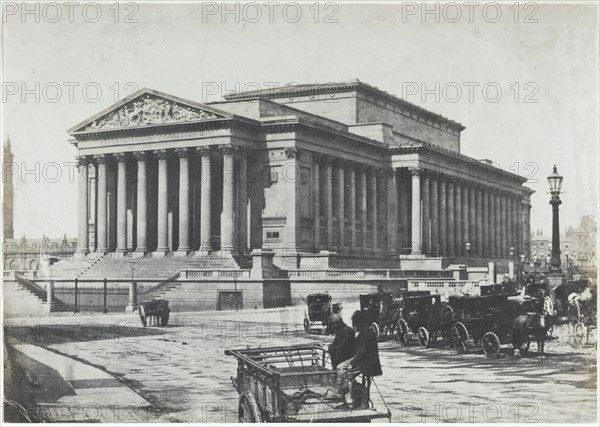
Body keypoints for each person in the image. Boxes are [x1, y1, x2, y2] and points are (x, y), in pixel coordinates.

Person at [336, 311, 382, 408]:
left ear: (358, 322)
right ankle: (352, 396)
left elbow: (362, 352)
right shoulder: (366, 331)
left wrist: (351, 363)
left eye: (354, 322)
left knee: (343, 371)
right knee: (340, 367)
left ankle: (352, 398)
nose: (354, 325)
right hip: (365, 361)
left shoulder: (366, 333)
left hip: (368, 363)